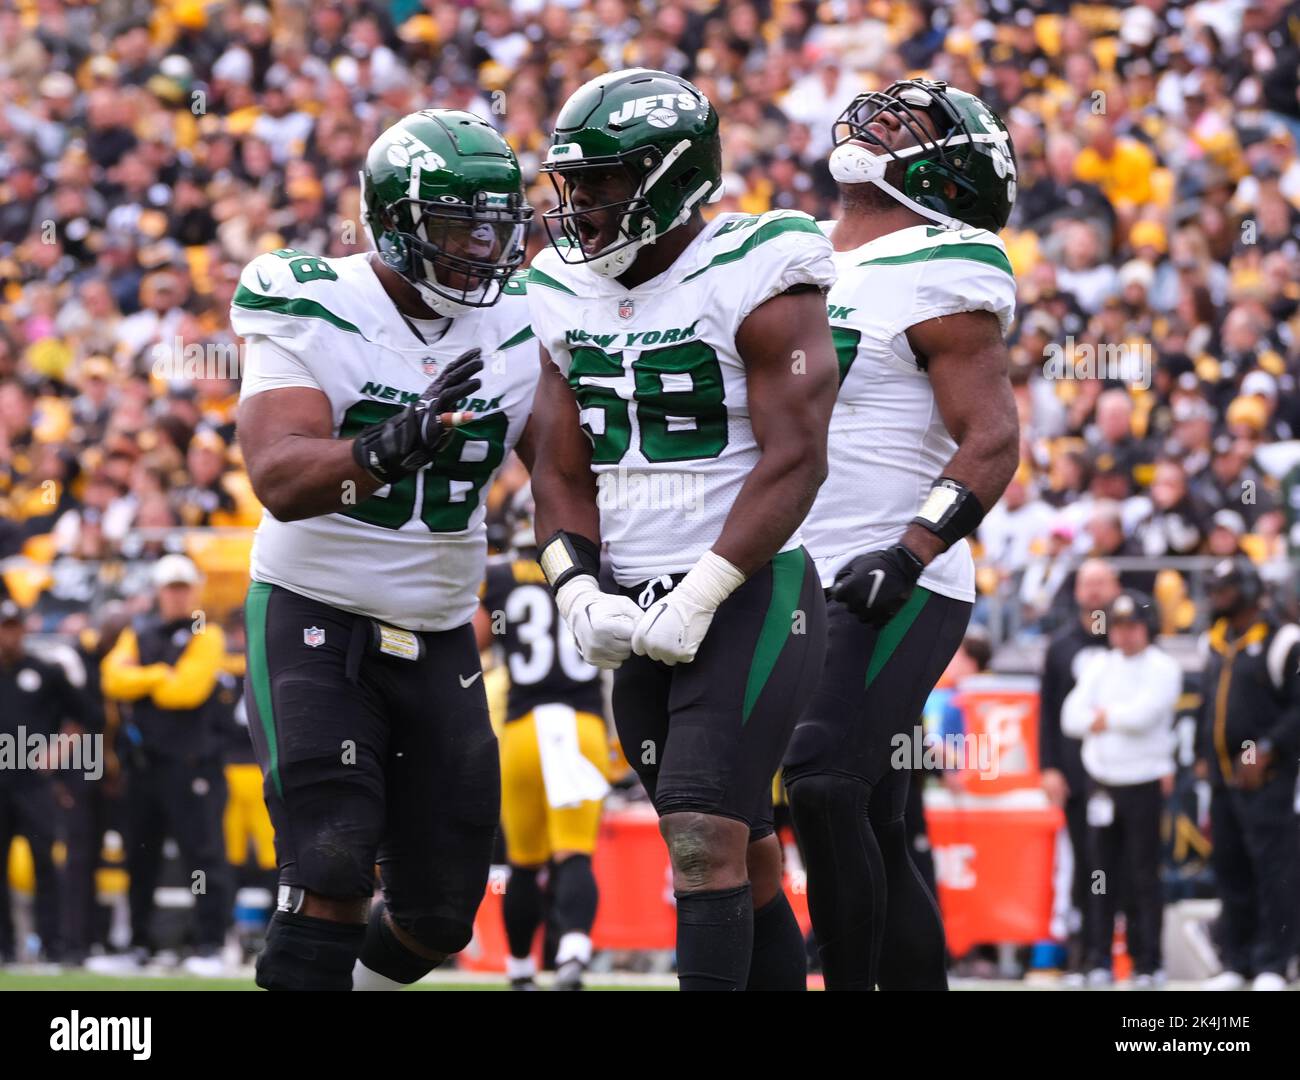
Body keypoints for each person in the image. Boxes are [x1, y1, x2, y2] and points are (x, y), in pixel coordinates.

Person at [527, 68, 838, 991]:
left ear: (671, 178)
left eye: (603, 183)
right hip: (633, 598)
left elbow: (798, 455)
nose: (579, 206)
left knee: (699, 835)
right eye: (571, 184)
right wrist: (576, 586)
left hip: (754, 589)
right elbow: (555, 466)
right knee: (743, 861)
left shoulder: (761, 263)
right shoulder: (557, 287)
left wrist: (705, 587)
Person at [232, 109, 538, 991]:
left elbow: (561, 476)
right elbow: (281, 479)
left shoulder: (528, 316)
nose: (482, 247)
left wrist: (582, 573)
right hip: (312, 609)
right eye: (456, 226)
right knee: (329, 862)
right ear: (396, 224)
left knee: (441, 912)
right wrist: (386, 447)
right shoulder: (311, 295)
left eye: (495, 224)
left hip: (438, 628)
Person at [782, 78, 1020, 991]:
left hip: (891, 576)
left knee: (821, 781)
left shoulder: (942, 261)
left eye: (909, 125)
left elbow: (991, 437)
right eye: (880, 112)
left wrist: (912, 551)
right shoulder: (792, 246)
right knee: (875, 819)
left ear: (952, 176)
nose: (876, 125)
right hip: (790, 574)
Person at [478, 485, 610, 990]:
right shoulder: (594, 575)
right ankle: (573, 954)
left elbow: (473, 642)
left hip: (521, 730)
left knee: (522, 862)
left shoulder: (498, 578)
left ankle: (519, 971)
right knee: (574, 853)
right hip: (581, 727)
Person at [97, 554, 232, 975]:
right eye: (170, 588)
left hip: (191, 765)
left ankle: (212, 943)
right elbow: (111, 678)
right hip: (143, 767)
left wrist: (145, 676)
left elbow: (186, 692)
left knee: (203, 856)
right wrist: (160, 675)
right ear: (158, 591)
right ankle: (139, 943)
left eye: (183, 587)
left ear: (194, 590)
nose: (176, 595)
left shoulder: (206, 633)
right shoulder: (138, 631)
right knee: (141, 857)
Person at [1061, 590, 1179, 987]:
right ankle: (1097, 960)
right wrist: (1107, 718)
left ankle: (1148, 962)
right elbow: (1070, 716)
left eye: (1133, 627)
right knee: (1098, 874)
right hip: (1102, 784)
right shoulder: (1099, 665)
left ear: (1148, 628)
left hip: (1143, 781)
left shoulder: (1163, 666)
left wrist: (1103, 716)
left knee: (1144, 875)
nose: (1125, 635)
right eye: (1119, 627)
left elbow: (1145, 715)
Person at [1196, 557, 1300, 991]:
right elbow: (1207, 706)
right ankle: (1236, 962)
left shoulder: (1285, 640)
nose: (1217, 597)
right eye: (1214, 589)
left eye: (1225, 589)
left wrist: (1268, 749)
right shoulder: (1214, 641)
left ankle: (1274, 964)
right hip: (1223, 778)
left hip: (1271, 781)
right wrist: (1201, 757)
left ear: (1250, 590)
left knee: (1274, 871)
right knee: (1230, 868)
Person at [1039, 557, 1120, 974]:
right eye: (1087, 583)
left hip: (1121, 772)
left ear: (1115, 587)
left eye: (1101, 582)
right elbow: (1048, 711)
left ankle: (1132, 958)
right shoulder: (1062, 644)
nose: (1093, 591)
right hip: (1075, 772)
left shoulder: (1125, 640)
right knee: (1084, 865)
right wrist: (1049, 767)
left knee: (1123, 863)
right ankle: (1086, 956)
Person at [0, 598, 87, 963]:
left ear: (23, 630)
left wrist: (57, 753)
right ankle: (4, 947)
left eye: (13, 627)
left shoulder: (45, 671)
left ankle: (54, 945)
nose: (7, 636)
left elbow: (83, 716)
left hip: (35, 785)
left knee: (46, 865)